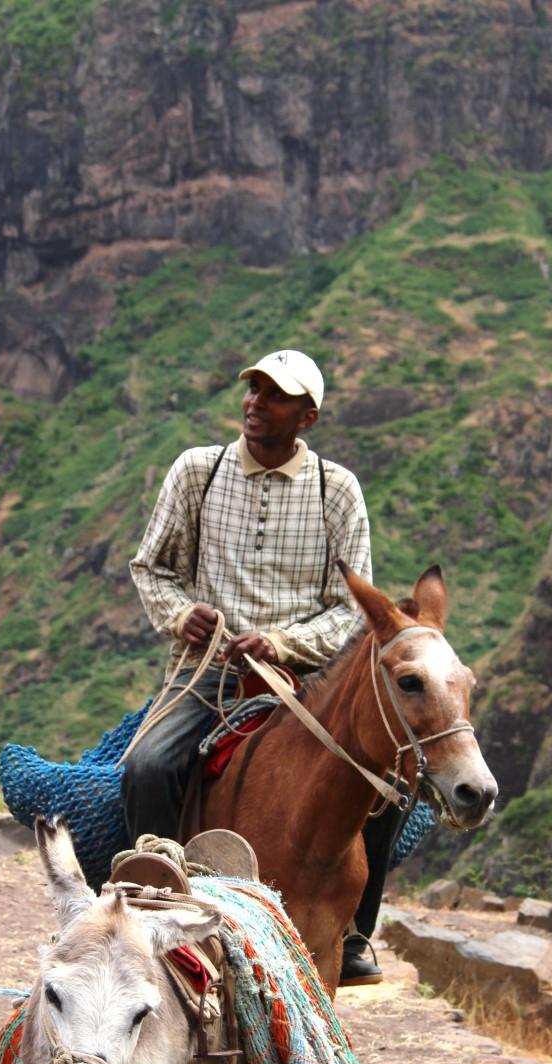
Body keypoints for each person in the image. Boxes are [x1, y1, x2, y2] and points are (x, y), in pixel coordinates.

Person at [125, 348, 403, 986]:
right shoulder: (198, 471)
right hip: (207, 673)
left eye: (275, 396)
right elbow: (151, 568)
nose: (255, 403)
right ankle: (151, 902)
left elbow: (346, 609)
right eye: (253, 390)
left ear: (306, 416)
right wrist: (180, 614)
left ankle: (355, 933)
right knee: (147, 765)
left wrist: (281, 643)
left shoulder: (338, 490)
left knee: (392, 789)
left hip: (305, 682)